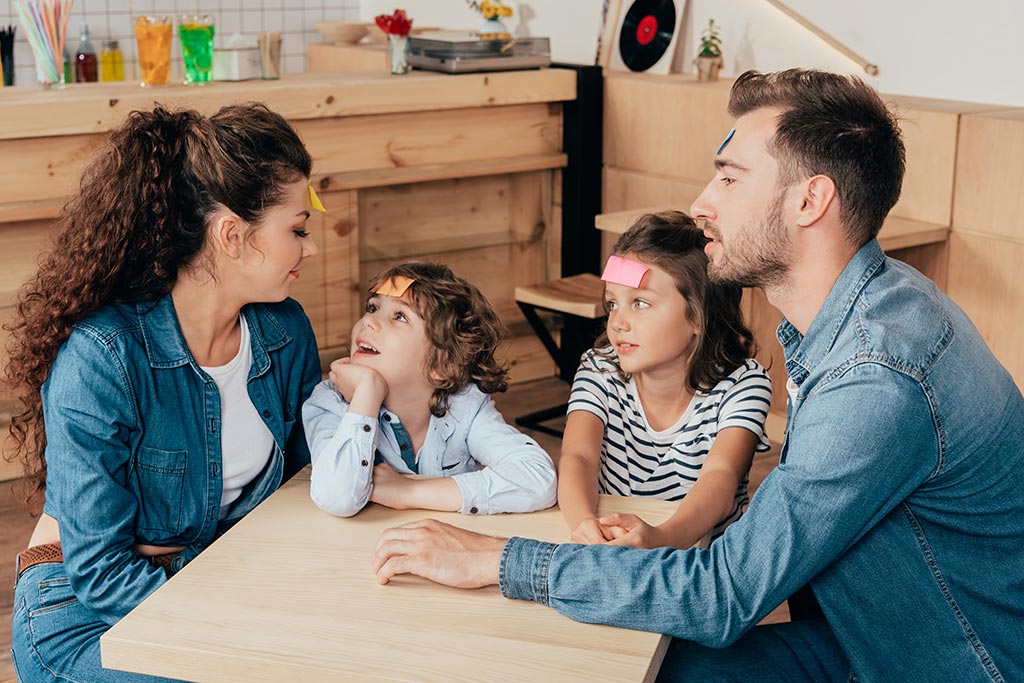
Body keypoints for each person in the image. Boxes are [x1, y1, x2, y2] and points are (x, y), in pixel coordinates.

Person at [368, 69, 1024, 682]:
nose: (701, 203)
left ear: (810, 200)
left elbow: (721, 594)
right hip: (870, 633)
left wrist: (496, 558)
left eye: (729, 178)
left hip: (945, 662)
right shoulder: (875, 305)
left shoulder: (876, 376)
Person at [6, 103, 323, 682]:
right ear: (232, 235)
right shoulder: (103, 357)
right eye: (298, 230)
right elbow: (101, 573)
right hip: (85, 611)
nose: (311, 247)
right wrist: (250, 625)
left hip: (220, 576)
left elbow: (308, 489)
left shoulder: (285, 332)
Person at [559, 212, 771, 549]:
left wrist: (660, 538)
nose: (617, 322)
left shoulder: (743, 386)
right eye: (612, 303)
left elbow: (721, 478)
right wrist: (584, 524)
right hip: (611, 550)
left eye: (640, 303)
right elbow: (578, 457)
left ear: (698, 315)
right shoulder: (599, 368)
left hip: (700, 563)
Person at [302, 261, 557, 518]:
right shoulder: (331, 402)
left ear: (442, 365)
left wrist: (407, 492)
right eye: (372, 308)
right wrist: (367, 392)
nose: (369, 320)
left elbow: (539, 480)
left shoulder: (464, 406)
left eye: (400, 316)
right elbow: (337, 498)